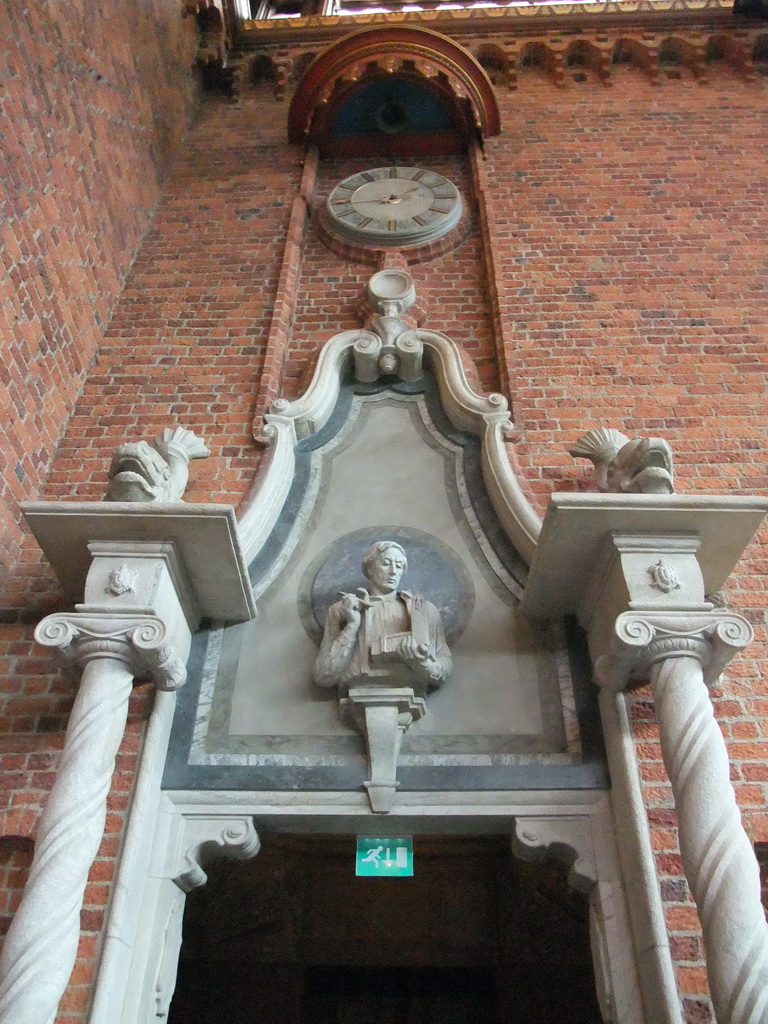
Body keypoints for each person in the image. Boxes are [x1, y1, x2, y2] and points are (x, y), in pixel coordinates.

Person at [313, 541, 452, 693]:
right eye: (386, 563)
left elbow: (444, 667)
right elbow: (324, 676)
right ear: (369, 568)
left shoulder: (424, 611)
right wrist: (352, 625)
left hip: (409, 689)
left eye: (399, 566)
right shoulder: (342, 610)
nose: (393, 571)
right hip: (357, 689)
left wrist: (422, 663)